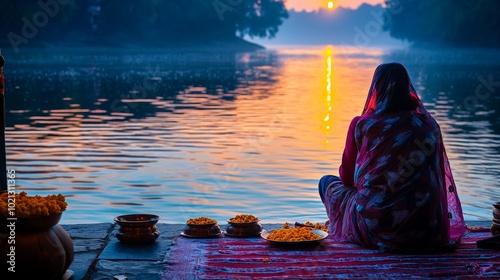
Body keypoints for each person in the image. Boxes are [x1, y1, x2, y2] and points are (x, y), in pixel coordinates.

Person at [318, 62, 467, 253]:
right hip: (429, 227)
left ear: (376, 89)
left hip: (378, 229)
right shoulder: (429, 126)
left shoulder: (363, 125)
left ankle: (347, 225)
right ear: (407, 88)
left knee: (326, 182)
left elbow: (347, 178)